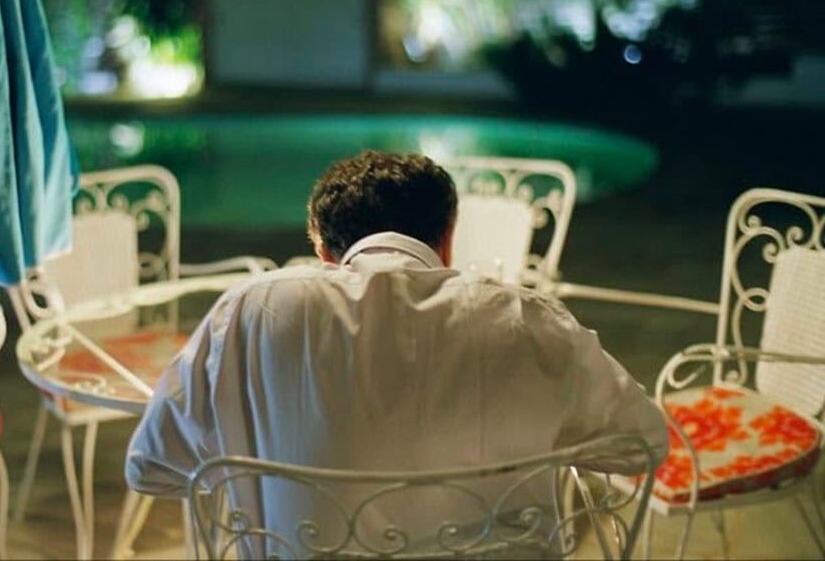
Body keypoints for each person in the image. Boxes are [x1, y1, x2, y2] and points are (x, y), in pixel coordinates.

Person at [125, 150, 668, 555]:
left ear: (322, 253)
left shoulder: (251, 312)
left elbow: (151, 467)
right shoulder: (526, 319)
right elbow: (644, 443)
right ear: (449, 239)